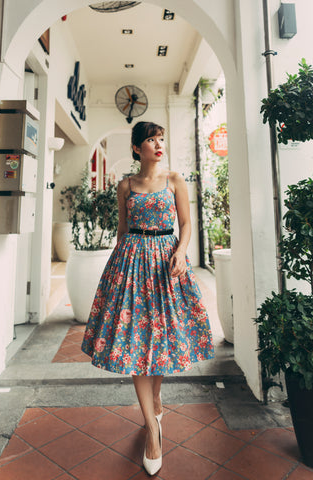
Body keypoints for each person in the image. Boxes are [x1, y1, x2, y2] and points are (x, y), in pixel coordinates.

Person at [81, 121, 214, 475]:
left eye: (161, 139)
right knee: (136, 344)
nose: (158, 144)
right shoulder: (125, 185)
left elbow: (186, 224)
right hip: (132, 263)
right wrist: (115, 270)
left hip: (167, 264)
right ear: (137, 148)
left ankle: (156, 398)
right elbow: (123, 229)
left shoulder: (175, 181)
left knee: (162, 338)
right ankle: (153, 432)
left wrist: (182, 252)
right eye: (151, 140)